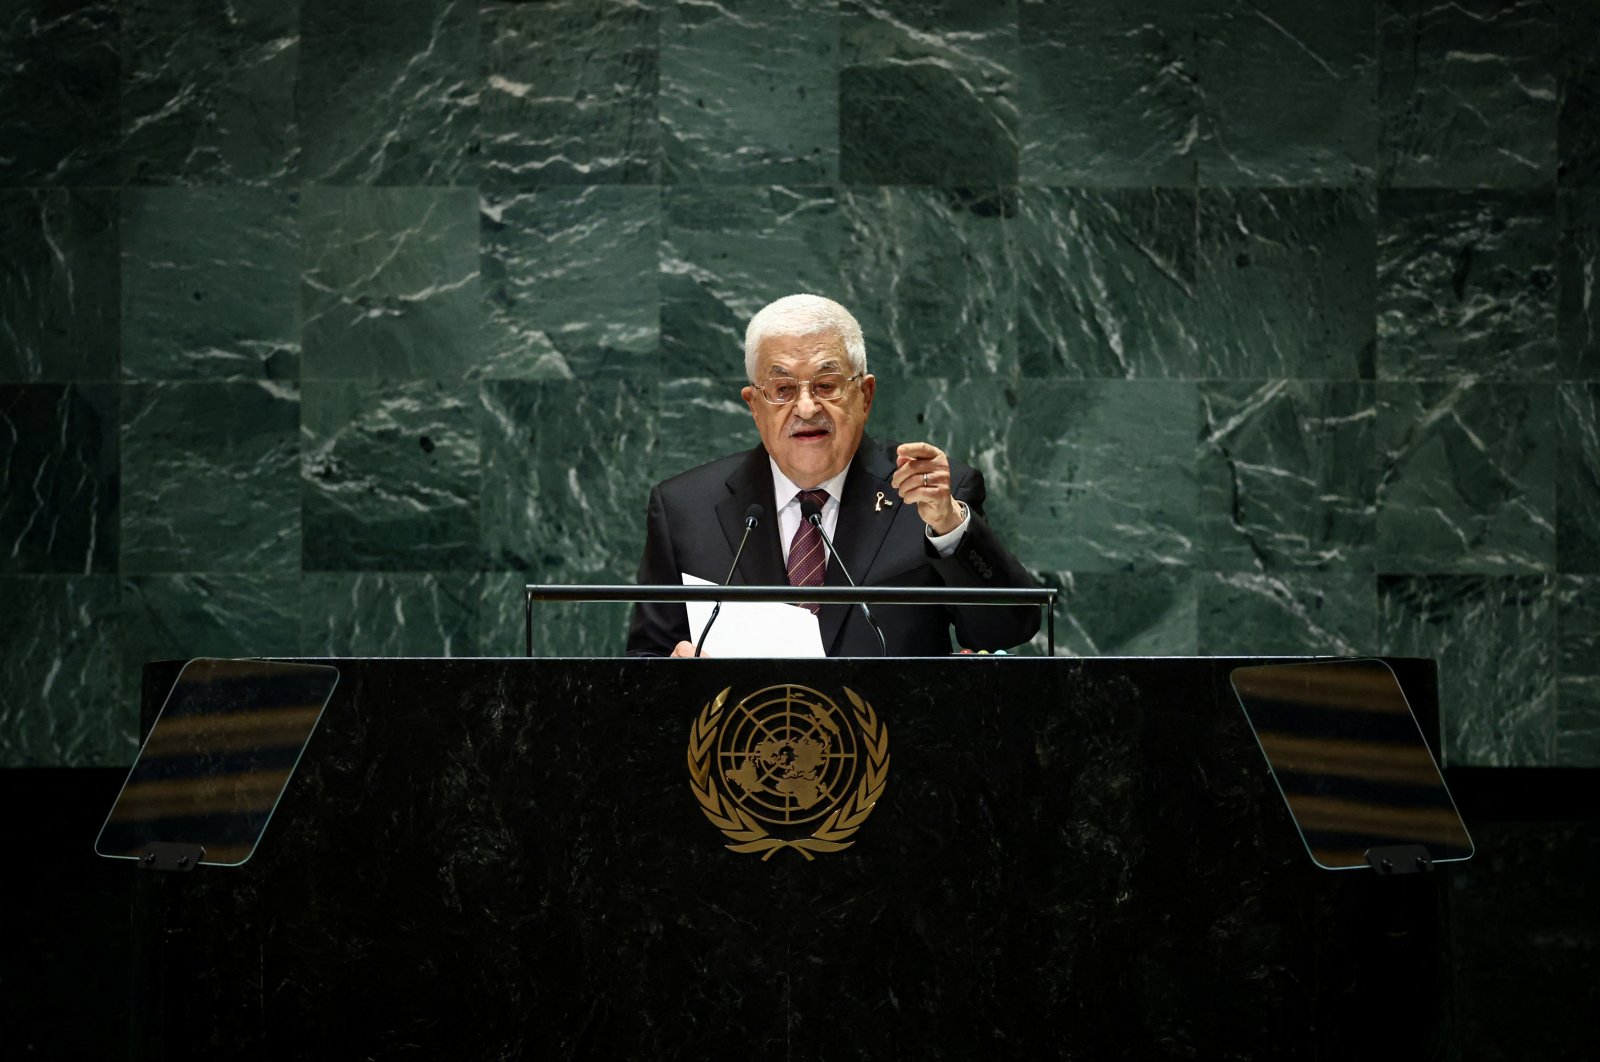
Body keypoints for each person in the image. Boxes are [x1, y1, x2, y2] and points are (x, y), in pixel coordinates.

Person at [626, 293, 1039, 657]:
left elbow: (1007, 629)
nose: (806, 408)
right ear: (754, 405)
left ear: (866, 395)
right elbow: (648, 657)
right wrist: (675, 671)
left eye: (827, 385)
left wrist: (949, 526)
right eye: (782, 389)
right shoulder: (686, 508)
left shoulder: (926, 497)